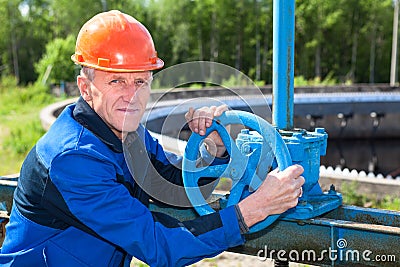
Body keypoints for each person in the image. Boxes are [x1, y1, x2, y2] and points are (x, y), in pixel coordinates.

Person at [0, 10, 304, 267]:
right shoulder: (73, 159)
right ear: (85, 87)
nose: (132, 96)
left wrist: (213, 146)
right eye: (116, 80)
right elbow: (158, 244)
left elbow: (171, 186)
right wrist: (255, 209)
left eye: (140, 81)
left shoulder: (128, 135)